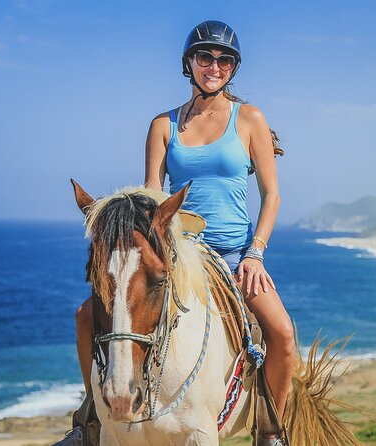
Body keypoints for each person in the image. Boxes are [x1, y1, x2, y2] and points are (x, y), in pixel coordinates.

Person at [73, 20, 294, 445]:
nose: (215, 65)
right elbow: (152, 197)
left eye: (224, 59)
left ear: (233, 67)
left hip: (233, 255)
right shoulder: (163, 124)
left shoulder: (250, 119)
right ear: (188, 63)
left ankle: (270, 430)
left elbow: (272, 196)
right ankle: (90, 418)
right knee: (86, 317)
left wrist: (256, 253)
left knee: (282, 334)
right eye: (206, 57)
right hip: (177, 249)